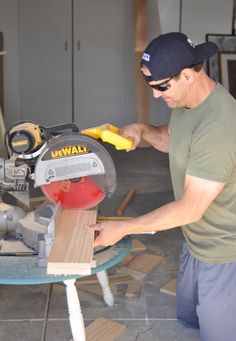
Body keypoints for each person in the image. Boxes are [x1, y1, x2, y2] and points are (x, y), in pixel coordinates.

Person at [88, 32, 236, 341]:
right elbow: (175, 138)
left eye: (161, 87)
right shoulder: (189, 101)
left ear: (187, 75)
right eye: (150, 86)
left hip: (225, 253)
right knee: (188, 318)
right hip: (196, 244)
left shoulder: (220, 125)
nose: (156, 95)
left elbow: (191, 209)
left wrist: (124, 228)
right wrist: (143, 131)